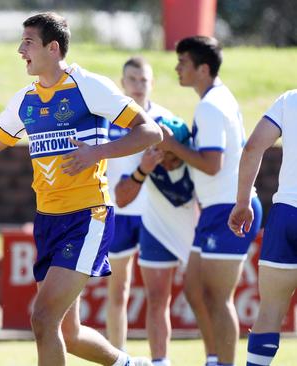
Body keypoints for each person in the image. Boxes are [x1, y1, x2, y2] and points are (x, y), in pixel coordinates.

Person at [0, 12, 161, 366]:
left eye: (28, 42)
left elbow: (150, 132)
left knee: (42, 318)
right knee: (69, 333)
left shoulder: (89, 86)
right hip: (48, 220)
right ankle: (133, 365)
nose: (20, 50)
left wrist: (96, 152)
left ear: (53, 48)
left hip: (87, 216)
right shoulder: (25, 100)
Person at [158, 35, 262, 366]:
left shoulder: (211, 106)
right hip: (216, 208)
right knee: (194, 290)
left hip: (230, 208)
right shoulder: (216, 99)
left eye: (183, 63)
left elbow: (212, 164)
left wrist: (172, 146)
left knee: (219, 298)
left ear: (203, 69)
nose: (177, 68)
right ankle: (214, 358)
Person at [116, 115, 199, 366]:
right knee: (156, 297)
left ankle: (216, 358)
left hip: (193, 230)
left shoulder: (198, 158)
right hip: (156, 226)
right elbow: (121, 198)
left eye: (173, 155)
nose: (169, 163)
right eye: (163, 155)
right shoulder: (143, 153)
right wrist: (143, 170)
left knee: (205, 297)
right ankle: (160, 361)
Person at [105, 56, 173, 351]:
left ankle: (160, 357)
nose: (137, 86)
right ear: (122, 83)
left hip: (153, 215)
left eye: (143, 80)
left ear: (152, 83)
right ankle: (116, 356)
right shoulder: (111, 119)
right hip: (119, 212)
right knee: (118, 289)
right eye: (132, 79)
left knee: (158, 293)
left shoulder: (165, 119)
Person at [228, 90, 297, 366]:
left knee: (269, 312)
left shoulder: (290, 99)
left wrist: (243, 201)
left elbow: (253, 146)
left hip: (284, 216)